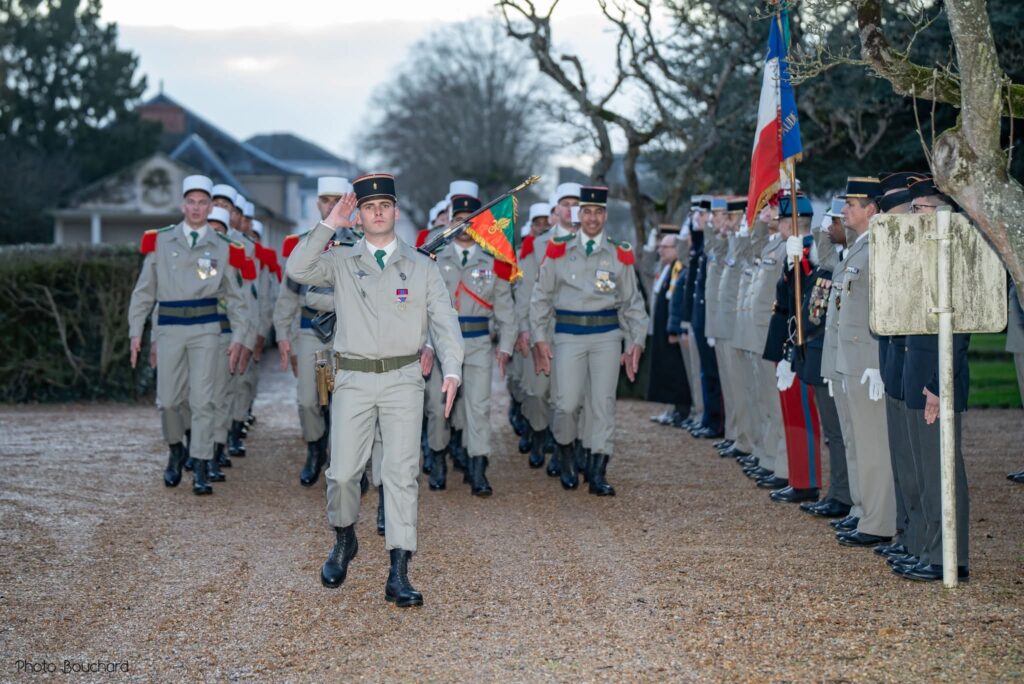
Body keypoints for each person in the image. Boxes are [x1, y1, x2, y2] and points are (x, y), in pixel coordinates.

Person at [286, 173, 463, 607]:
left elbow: (445, 321)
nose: (378, 212)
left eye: (385, 205)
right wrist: (330, 223)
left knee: (401, 475)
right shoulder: (341, 260)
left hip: (403, 379)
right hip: (353, 379)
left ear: (396, 212)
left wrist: (453, 370)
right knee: (343, 473)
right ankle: (344, 538)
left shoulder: (421, 266)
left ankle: (399, 572)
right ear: (359, 215)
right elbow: (297, 269)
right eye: (369, 207)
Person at [128, 175, 252, 495]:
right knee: (169, 401)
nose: (196, 208)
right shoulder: (161, 242)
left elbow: (236, 298)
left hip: (205, 330)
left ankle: (200, 465)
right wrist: (136, 331)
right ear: (183, 205)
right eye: (191, 202)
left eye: (202, 203)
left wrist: (239, 336)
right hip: (169, 329)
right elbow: (144, 292)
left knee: (203, 401)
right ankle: (175, 450)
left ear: (210, 207)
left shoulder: (223, 246)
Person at [530, 185, 649, 495]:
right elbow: (540, 298)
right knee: (566, 404)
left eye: (598, 212)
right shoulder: (558, 250)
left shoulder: (619, 253)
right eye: (587, 212)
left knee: (602, 404)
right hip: (568, 336)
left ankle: (597, 470)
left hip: (606, 337)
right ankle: (566, 453)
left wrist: (636, 341)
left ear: (605, 215)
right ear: (578, 214)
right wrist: (539, 338)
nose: (592, 218)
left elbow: (633, 303)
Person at [430, 191, 516, 495]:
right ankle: (437, 460)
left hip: (478, 341)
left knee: (478, 407)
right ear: (449, 222)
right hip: (440, 344)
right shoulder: (433, 259)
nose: (463, 225)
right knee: (437, 406)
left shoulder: (493, 261)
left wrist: (506, 345)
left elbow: (505, 309)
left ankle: (478, 468)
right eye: (457, 219)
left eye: (470, 220)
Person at [833, 176, 898, 548]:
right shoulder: (859, 247)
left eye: (851, 205)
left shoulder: (876, 249)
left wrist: (876, 360)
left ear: (871, 209)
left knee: (873, 445)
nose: (844, 210)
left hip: (866, 361)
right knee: (859, 442)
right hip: (852, 360)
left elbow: (881, 309)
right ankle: (864, 511)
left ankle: (879, 521)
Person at [275, 177, 351, 487]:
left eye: (337, 200)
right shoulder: (303, 243)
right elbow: (288, 295)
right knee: (309, 400)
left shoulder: (361, 242)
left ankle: (348, 460)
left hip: (349, 332)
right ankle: (315, 448)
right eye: (326, 200)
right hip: (311, 331)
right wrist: (282, 334)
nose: (331, 206)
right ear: (317, 204)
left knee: (348, 400)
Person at [516, 183, 582, 474]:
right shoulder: (537, 245)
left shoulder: (590, 243)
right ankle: (539, 432)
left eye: (576, 204)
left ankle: (562, 446)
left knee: (568, 394)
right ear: (556, 210)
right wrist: (524, 328)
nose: (571, 209)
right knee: (538, 391)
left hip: (574, 329)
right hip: (540, 325)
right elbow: (524, 291)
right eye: (565, 204)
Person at [647, 231, 691, 425]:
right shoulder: (667, 268)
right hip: (662, 328)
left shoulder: (679, 269)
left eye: (665, 247)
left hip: (672, 329)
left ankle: (682, 410)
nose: (661, 250)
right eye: (660, 247)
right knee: (667, 370)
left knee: (676, 371)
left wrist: (674, 329)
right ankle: (672, 408)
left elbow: (677, 301)